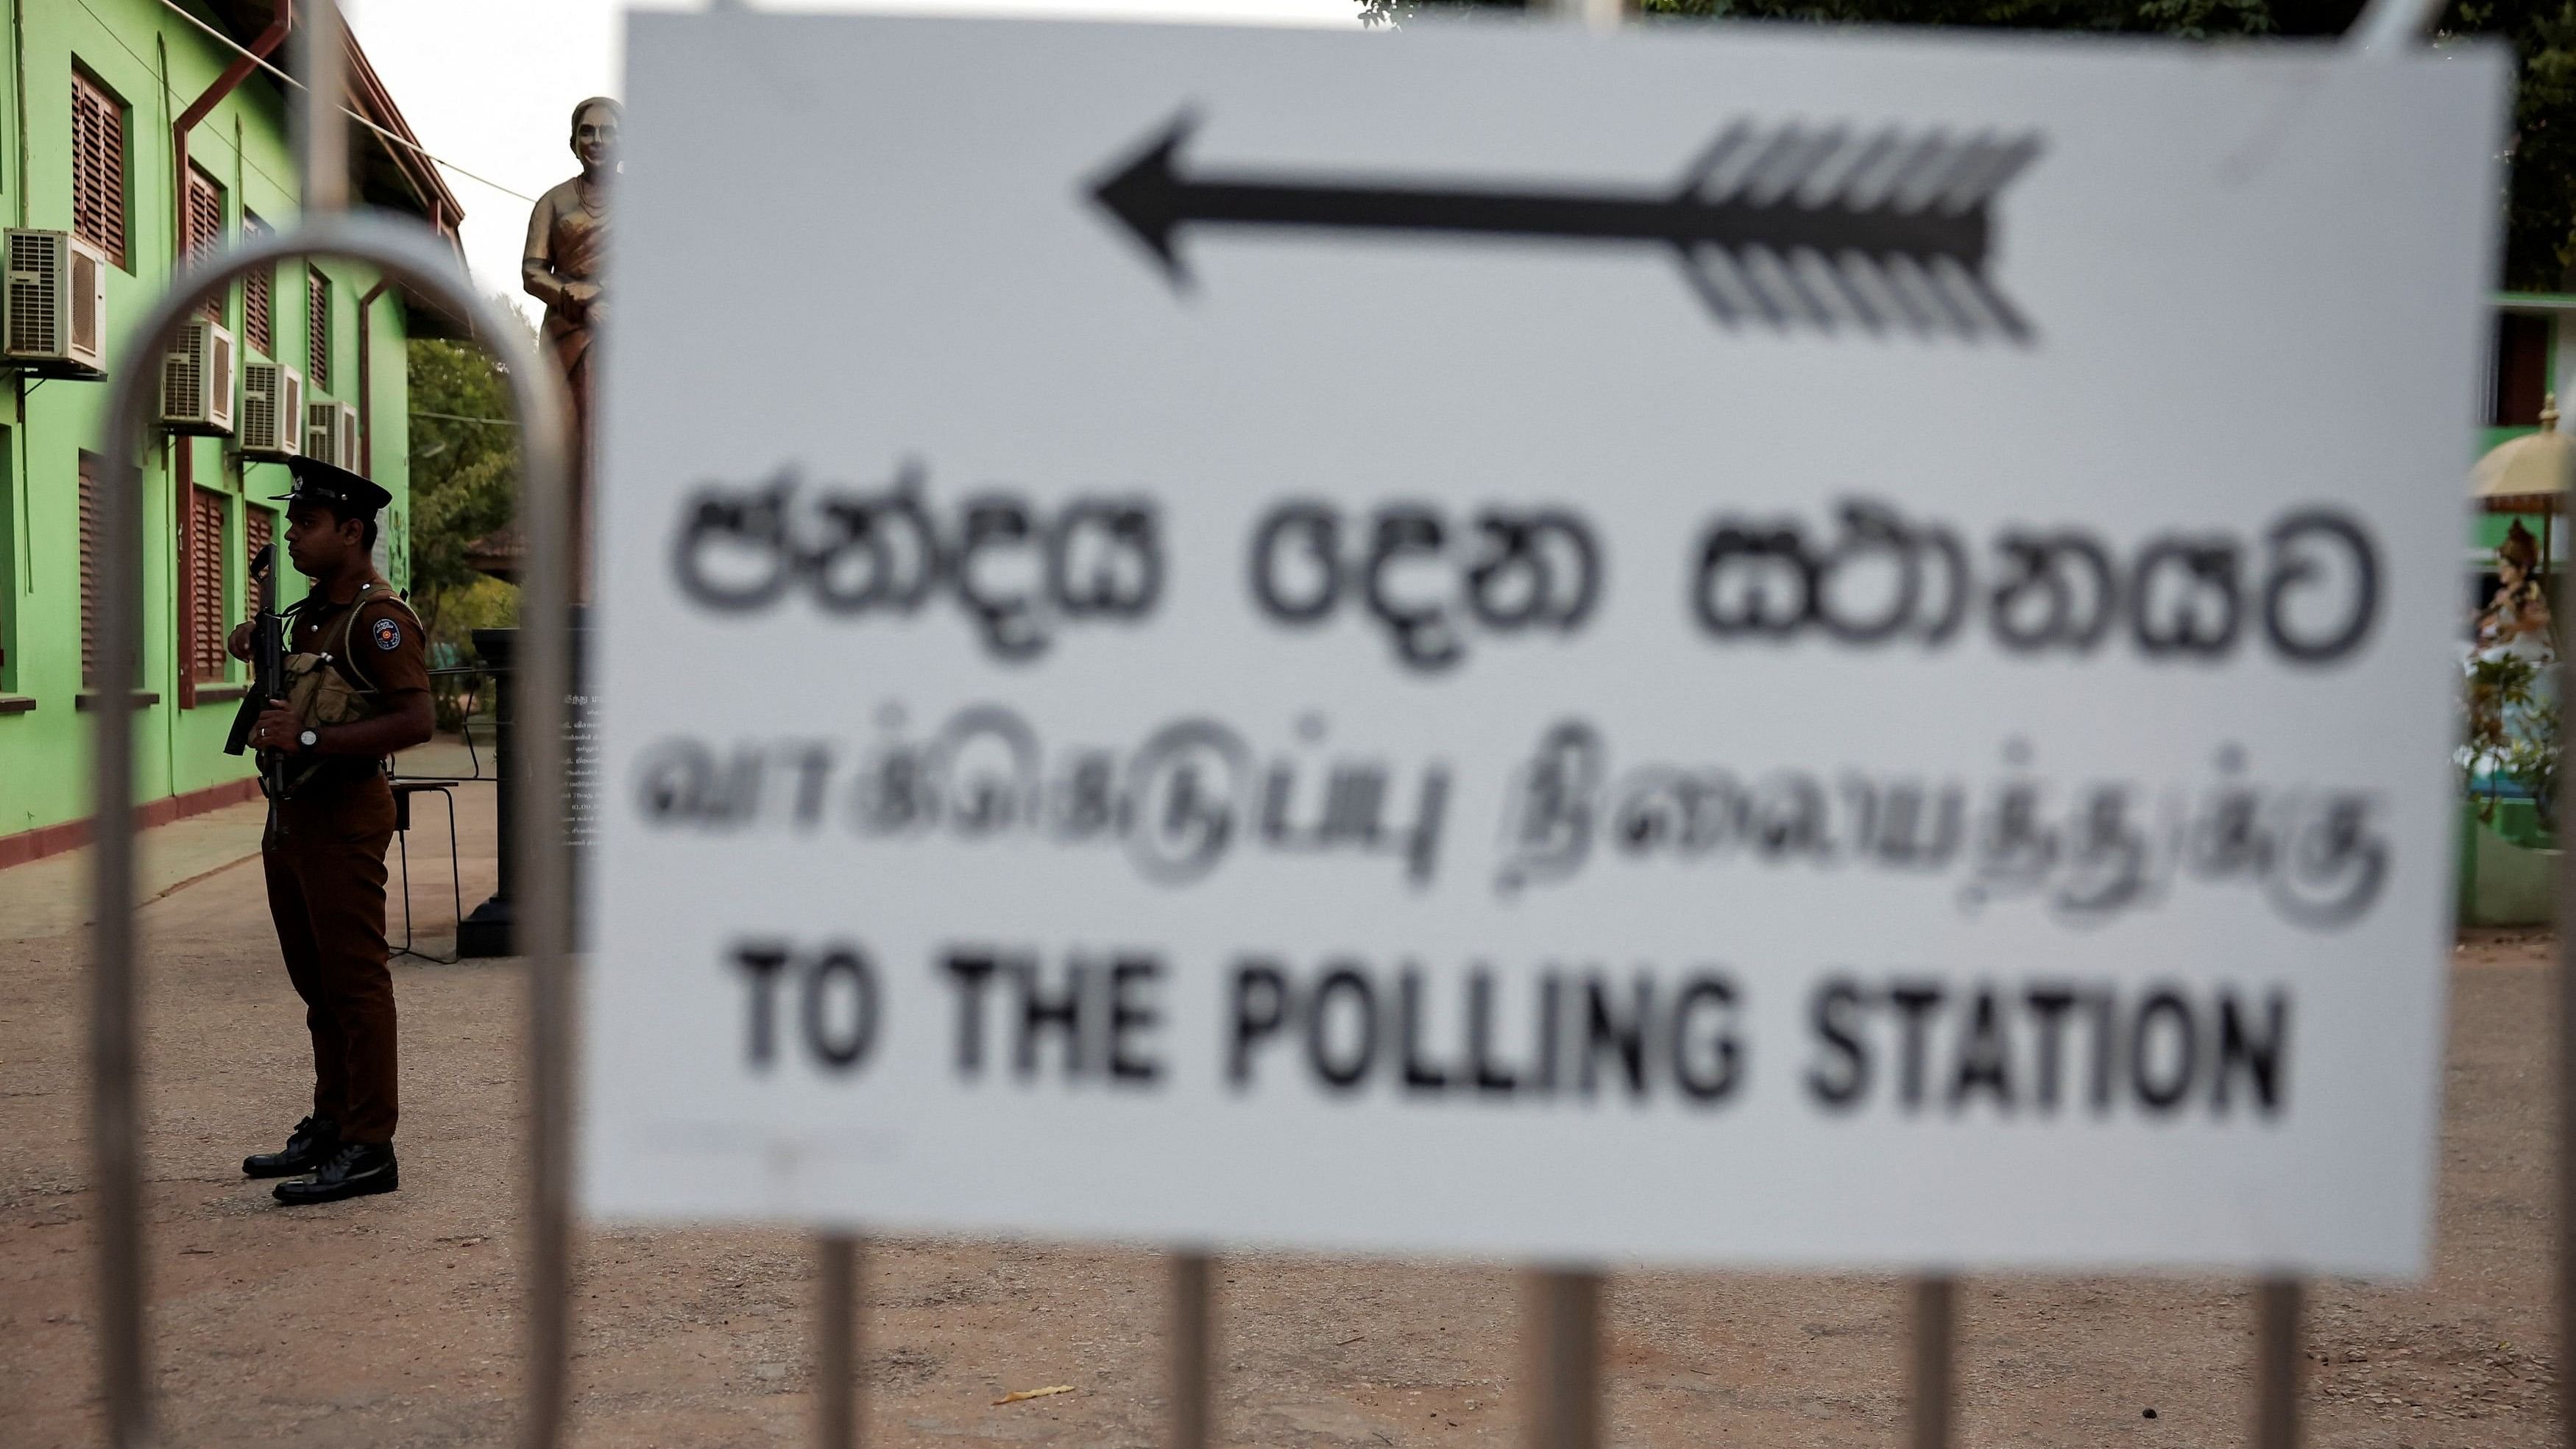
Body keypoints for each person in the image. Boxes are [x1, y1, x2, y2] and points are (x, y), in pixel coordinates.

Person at [228, 457, 434, 1205]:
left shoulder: (379, 620)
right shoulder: (309, 615)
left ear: (351, 531)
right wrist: (260, 653)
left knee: (355, 984)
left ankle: (370, 1144)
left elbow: (415, 718)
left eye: (306, 523)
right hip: (293, 819)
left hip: (345, 820)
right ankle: (330, 1119)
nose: (291, 535)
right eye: (291, 522)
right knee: (315, 983)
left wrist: (308, 741)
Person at [524, 95, 618, 598]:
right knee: (572, 456)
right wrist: (576, 299)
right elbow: (531, 272)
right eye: (588, 132)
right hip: (569, 340)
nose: (597, 141)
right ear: (573, 140)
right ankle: (571, 583)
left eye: (607, 132)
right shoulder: (554, 202)